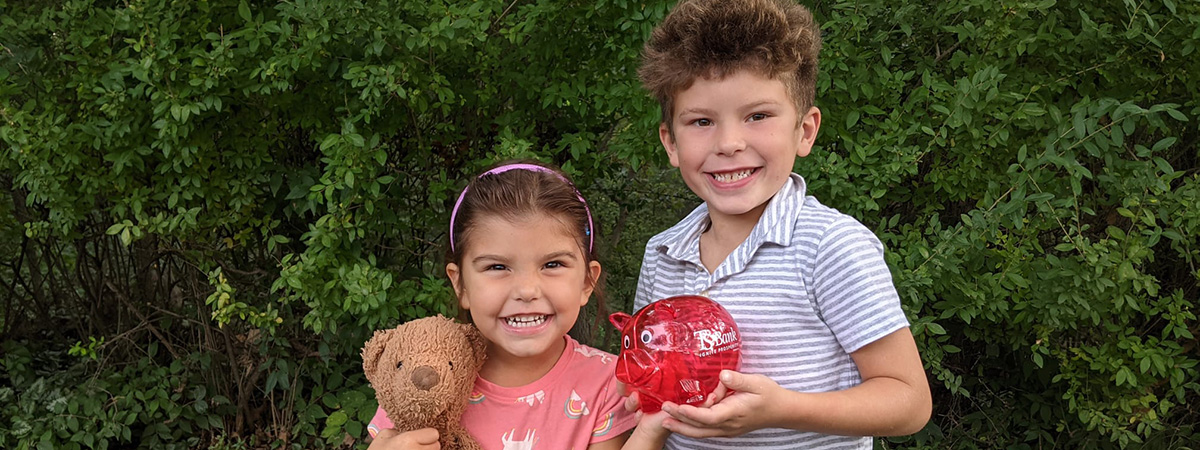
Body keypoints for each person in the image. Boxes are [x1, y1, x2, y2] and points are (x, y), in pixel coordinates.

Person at [627, 0, 933, 448]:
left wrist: (781, 409)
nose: (729, 143)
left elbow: (908, 402)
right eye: (701, 121)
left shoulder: (831, 247)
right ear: (671, 143)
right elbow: (649, 381)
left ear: (805, 131)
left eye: (758, 116)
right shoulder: (662, 254)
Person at [366, 161, 667, 450]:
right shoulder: (420, 374)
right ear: (461, 285)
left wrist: (653, 429)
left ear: (587, 282)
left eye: (552, 264)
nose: (526, 290)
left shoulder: (609, 384)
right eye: (497, 267)